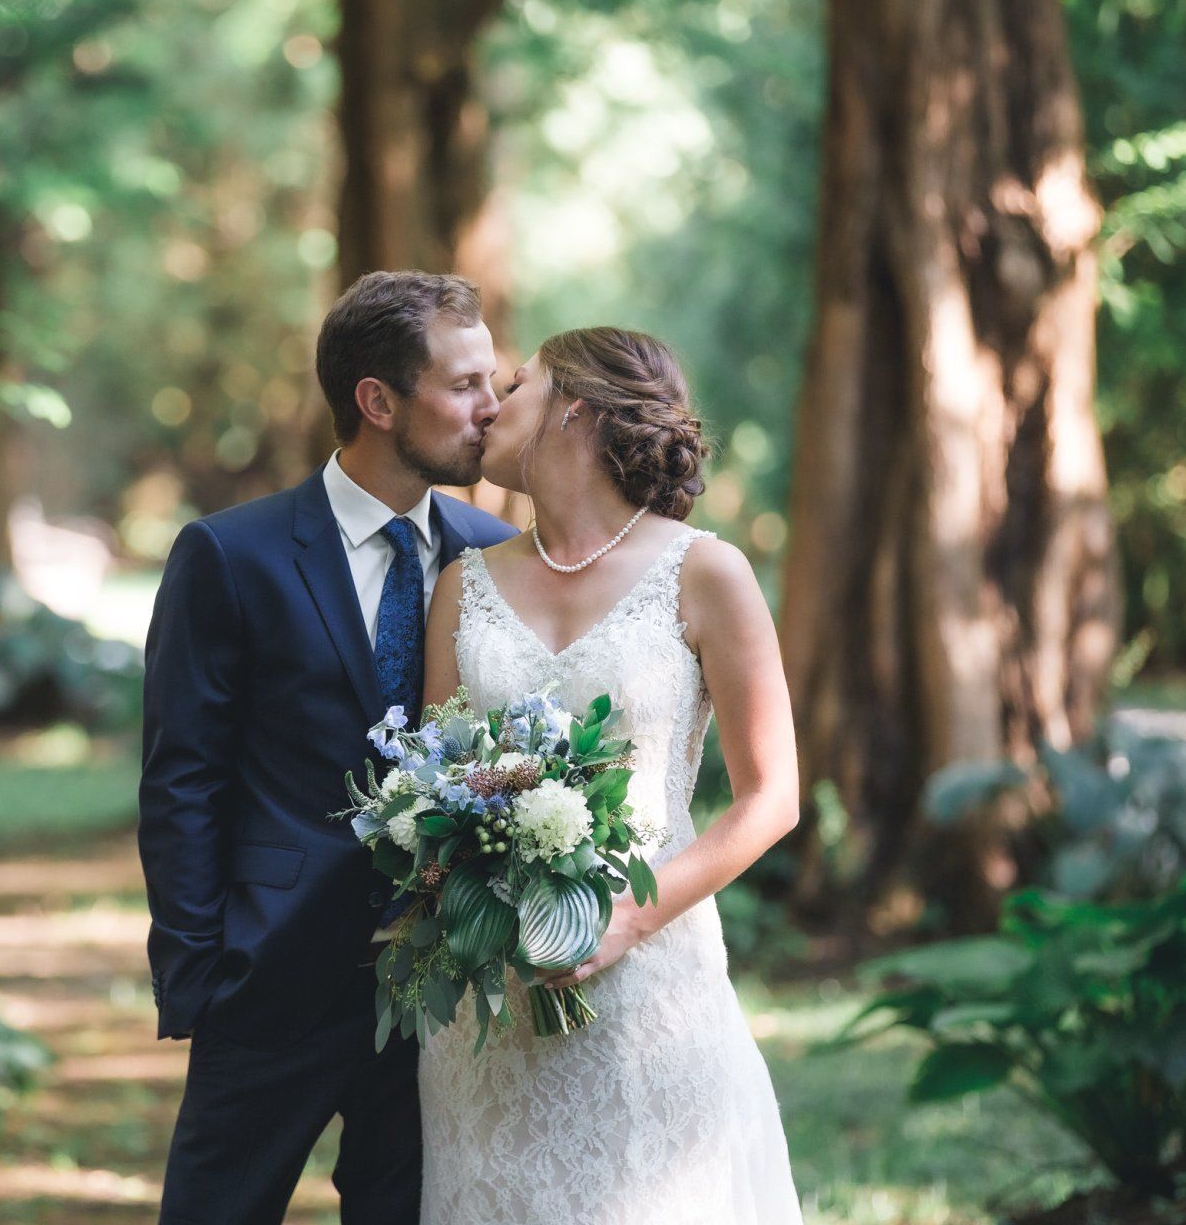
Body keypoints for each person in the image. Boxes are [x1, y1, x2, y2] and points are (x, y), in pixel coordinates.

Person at [138, 270, 516, 1224]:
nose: (492, 407)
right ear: (378, 401)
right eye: (464, 385)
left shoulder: (492, 555)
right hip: (267, 977)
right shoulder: (231, 555)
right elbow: (182, 779)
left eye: (494, 381)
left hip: (434, 992)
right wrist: (199, 975)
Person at [417, 326, 806, 1223]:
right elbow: (438, 781)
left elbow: (772, 797)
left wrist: (626, 919)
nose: (489, 407)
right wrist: (459, 892)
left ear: (575, 409)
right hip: (492, 1001)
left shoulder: (704, 572)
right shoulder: (463, 586)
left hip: (650, 984)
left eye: (517, 385)